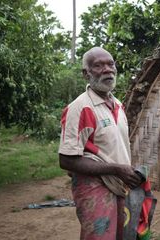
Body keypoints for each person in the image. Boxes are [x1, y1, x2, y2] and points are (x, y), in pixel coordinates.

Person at [58, 47, 141, 240]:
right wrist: (116, 169)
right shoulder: (80, 108)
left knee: (123, 235)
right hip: (93, 186)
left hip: (120, 183)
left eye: (110, 64)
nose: (107, 69)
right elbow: (66, 160)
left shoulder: (118, 105)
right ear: (86, 73)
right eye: (98, 65)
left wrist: (124, 170)